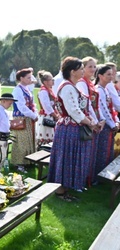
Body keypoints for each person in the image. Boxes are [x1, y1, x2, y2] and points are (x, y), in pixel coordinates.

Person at [48, 56, 96, 202]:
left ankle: (66, 189)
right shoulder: (67, 87)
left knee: (71, 158)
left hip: (73, 129)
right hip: (69, 129)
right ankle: (60, 191)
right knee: (67, 159)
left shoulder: (71, 86)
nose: (83, 71)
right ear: (72, 71)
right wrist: (89, 122)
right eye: (81, 69)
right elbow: (73, 111)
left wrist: (90, 120)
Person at [76, 57, 105, 188]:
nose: (93, 69)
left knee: (91, 153)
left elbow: (96, 104)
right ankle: (83, 181)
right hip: (87, 122)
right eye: (90, 67)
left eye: (94, 67)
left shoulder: (91, 83)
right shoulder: (82, 83)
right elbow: (87, 105)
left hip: (94, 120)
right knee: (85, 154)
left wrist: (101, 120)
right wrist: (94, 122)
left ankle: (89, 179)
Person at [11, 68, 38, 173]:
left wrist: (33, 114)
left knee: (28, 141)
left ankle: (28, 161)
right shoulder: (18, 90)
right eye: (28, 77)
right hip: (20, 118)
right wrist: (32, 115)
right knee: (21, 141)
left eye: (30, 77)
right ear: (21, 78)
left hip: (27, 118)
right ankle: (19, 163)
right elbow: (21, 106)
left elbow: (32, 104)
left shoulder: (27, 88)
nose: (30, 79)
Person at [95, 65, 119, 181]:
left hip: (109, 125)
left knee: (108, 150)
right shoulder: (99, 89)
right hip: (104, 126)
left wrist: (116, 121)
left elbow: (112, 109)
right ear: (100, 76)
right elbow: (103, 110)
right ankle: (98, 178)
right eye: (108, 74)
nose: (111, 77)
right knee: (102, 151)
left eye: (111, 74)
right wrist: (113, 124)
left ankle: (105, 176)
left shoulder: (105, 89)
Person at [0, 93, 17, 175]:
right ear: (3, 101)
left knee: (4, 156)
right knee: (1, 156)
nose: (10, 105)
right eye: (9, 103)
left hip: (4, 137)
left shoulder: (3, 111)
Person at [35, 70, 60, 150]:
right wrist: (55, 115)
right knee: (46, 136)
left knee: (51, 135)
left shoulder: (49, 90)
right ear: (45, 82)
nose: (53, 81)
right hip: (47, 117)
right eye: (51, 80)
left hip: (51, 116)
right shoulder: (43, 92)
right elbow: (47, 106)